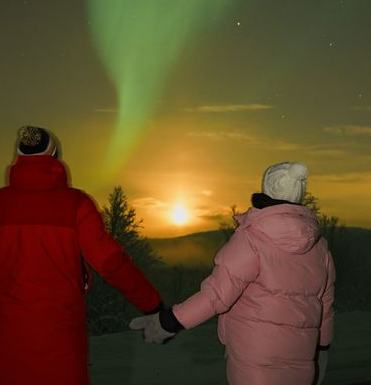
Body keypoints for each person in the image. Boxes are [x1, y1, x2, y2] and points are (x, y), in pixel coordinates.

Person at [0, 125, 163, 384]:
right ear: (55, 158)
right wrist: (152, 303)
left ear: (19, 158)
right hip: (62, 343)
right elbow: (112, 263)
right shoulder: (77, 205)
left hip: (8, 345)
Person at [130, 161, 335, 385]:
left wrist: (168, 322)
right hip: (303, 361)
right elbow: (324, 305)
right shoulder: (320, 248)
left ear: (267, 188)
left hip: (253, 362)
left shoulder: (251, 239)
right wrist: (322, 349)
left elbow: (215, 296)